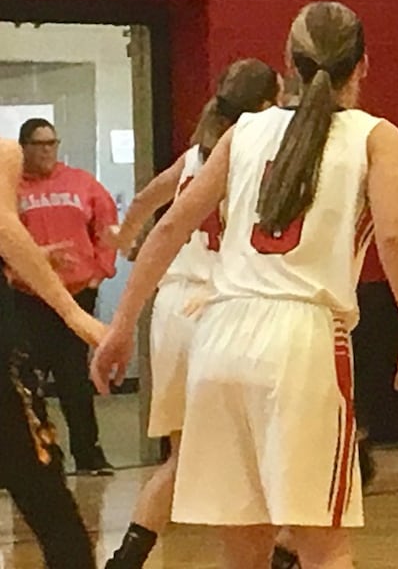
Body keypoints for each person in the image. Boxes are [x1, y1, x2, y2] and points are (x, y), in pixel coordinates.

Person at [92, 1, 398, 569]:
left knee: (244, 550)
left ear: (288, 65)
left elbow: (171, 223)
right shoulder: (376, 135)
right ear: (364, 65)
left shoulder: (245, 130)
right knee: (324, 548)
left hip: (220, 339)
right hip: (303, 340)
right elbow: (395, 237)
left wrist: (122, 324)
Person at [101, 58, 282, 569]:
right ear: (270, 103)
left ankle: (127, 558)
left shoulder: (196, 156)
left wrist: (120, 240)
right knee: (263, 453)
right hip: (218, 310)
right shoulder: (257, 158)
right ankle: (284, 551)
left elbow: (142, 202)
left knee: (184, 458)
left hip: (169, 310)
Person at [1, 137, 105, 569]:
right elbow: (5, 226)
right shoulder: (4, 153)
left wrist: (28, 260)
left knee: (44, 490)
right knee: (47, 498)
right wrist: (73, 314)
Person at [13, 117, 118, 476]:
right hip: (27, 298)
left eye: (52, 143)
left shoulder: (80, 182)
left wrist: (99, 273)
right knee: (28, 381)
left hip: (76, 296)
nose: (47, 151)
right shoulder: (12, 188)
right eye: (39, 144)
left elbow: (107, 225)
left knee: (75, 379)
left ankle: (88, 454)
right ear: (23, 148)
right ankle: (42, 456)